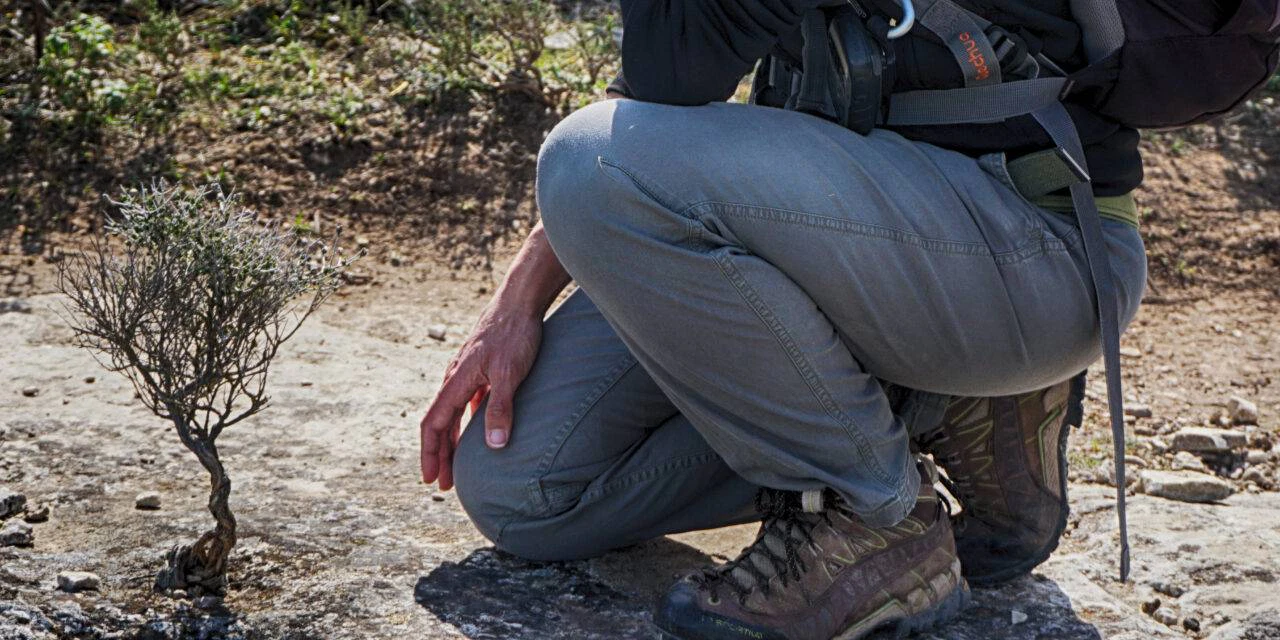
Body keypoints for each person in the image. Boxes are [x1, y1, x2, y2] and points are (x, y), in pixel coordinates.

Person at [419, 1, 1149, 638]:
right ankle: (923, 408)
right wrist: (518, 300)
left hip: (1028, 253)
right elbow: (654, 96)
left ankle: (874, 515)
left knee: (594, 165)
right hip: (858, 238)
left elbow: (668, 70)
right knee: (524, 489)